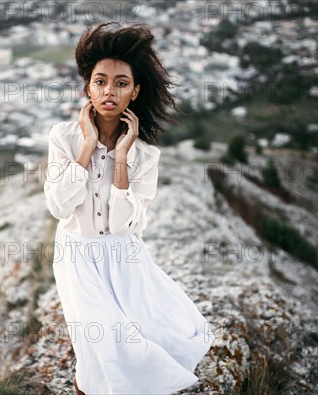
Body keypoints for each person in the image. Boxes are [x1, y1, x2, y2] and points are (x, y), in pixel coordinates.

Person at [44, 22, 215, 395]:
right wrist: (88, 145)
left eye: (121, 83)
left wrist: (121, 156)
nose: (109, 90)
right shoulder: (64, 137)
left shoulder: (145, 155)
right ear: (87, 87)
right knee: (98, 344)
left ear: (134, 92)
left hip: (124, 255)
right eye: (100, 81)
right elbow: (59, 206)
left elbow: (126, 223)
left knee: (142, 338)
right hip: (77, 253)